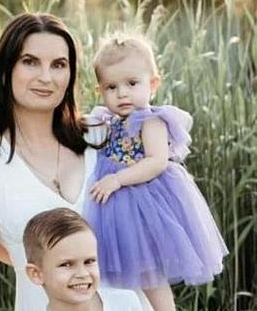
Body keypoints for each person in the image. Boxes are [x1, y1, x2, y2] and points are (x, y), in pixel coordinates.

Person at [0, 13, 144, 311]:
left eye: (58, 65)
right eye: (30, 62)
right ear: (6, 70)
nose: (46, 77)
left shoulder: (102, 136)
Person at [83, 34, 228, 311]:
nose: (122, 93)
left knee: (149, 270)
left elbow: (156, 161)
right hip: (113, 209)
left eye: (132, 83)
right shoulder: (107, 120)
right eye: (111, 86)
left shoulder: (150, 120)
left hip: (145, 202)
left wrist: (116, 180)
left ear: (153, 84)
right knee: (121, 278)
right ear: (100, 91)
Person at [23, 208, 143, 311]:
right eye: (66, 264)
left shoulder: (126, 303)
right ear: (36, 274)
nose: (82, 274)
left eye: (89, 261)